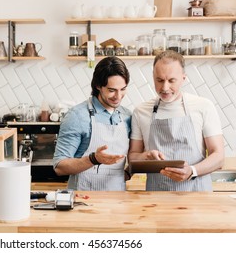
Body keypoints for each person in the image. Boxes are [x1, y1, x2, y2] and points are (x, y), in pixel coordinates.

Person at [128, 50, 224, 191]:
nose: (165, 88)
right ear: (153, 77)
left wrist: (192, 170)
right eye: (159, 80)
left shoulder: (203, 106)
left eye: (172, 80)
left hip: (197, 197)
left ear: (183, 78)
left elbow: (219, 157)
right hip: (156, 199)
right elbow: (132, 158)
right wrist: (146, 155)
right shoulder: (141, 112)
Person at [53, 56, 131, 191]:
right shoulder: (77, 116)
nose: (118, 96)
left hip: (118, 200)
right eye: (112, 90)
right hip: (83, 199)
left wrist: (129, 173)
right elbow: (59, 166)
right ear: (98, 86)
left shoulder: (127, 116)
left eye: (123, 89)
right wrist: (93, 159)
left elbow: (134, 154)